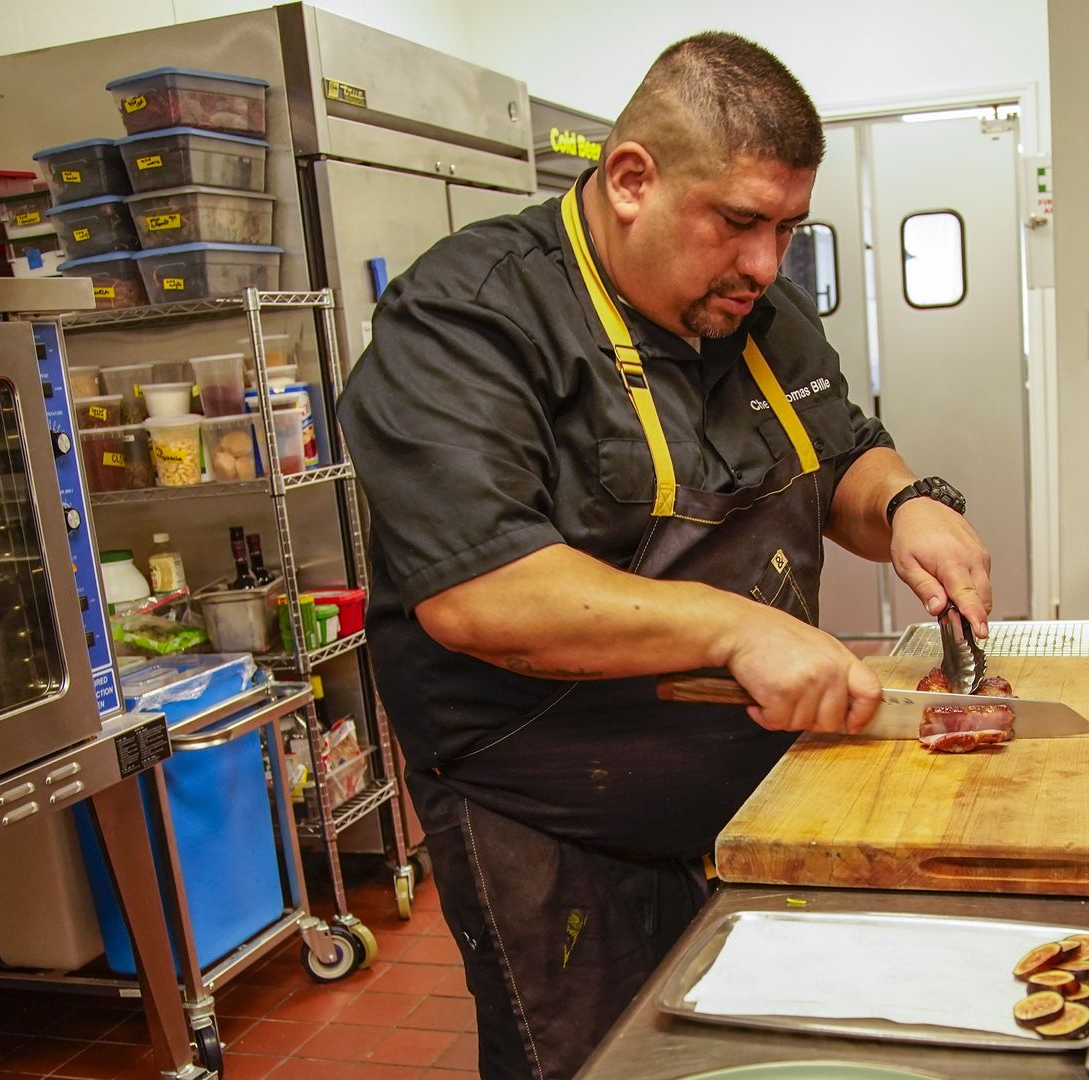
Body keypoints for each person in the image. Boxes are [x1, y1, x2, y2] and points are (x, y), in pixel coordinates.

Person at [338, 31, 994, 1080]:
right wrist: (740, 625)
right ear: (632, 179)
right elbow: (483, 595)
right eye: (739, 222)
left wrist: (909, 502)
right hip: (551, 814)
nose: (766, 266)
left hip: (751, 793)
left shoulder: (757, 310)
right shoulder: (467, 317)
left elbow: (842, 457)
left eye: (788, 228)